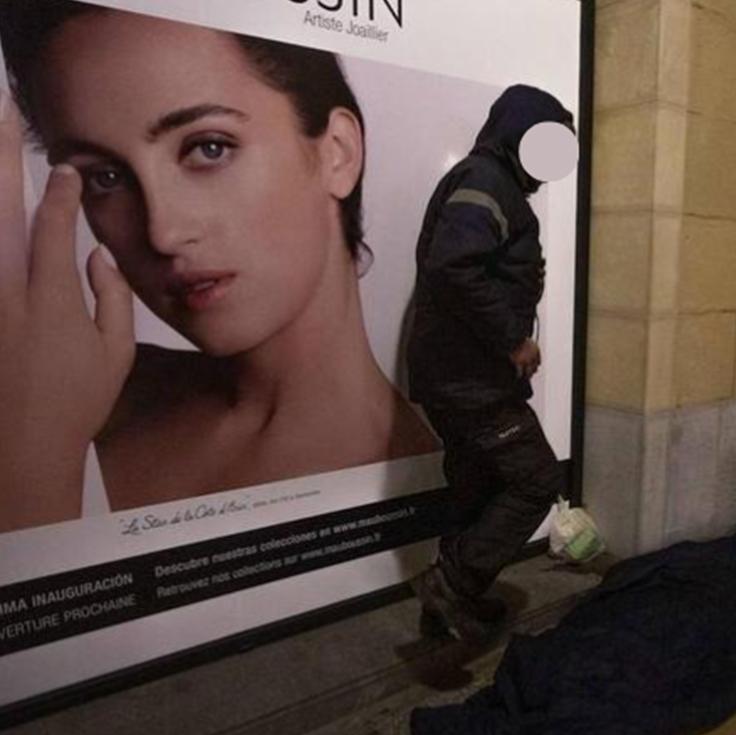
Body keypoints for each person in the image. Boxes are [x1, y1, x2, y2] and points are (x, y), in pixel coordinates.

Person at [0, 1, 438, 534]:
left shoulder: (418, 483)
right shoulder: (68, 396)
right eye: (105, 179)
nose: (162, 232)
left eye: (208, 148)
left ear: (337, 153)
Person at [407, 85, 573, 641]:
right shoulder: (486, 182)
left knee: (474, 489)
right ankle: (451, 583)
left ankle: (447, 611)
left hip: (456, 376)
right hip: (469, 380)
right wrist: (513, 340)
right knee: (537, 480)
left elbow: (476, 266)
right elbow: (454, 267)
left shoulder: (493, 186)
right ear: (519, 135)